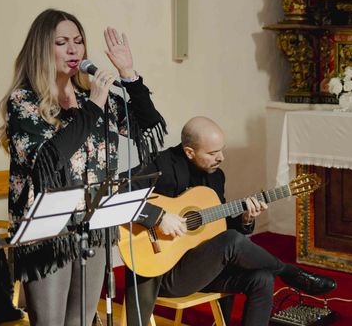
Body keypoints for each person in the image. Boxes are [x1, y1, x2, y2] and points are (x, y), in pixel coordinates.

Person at [0, 9, 166, 326]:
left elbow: (148, 126)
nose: (73, 50)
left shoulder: (94, 96)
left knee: (83, 321)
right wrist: (93, 107)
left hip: (93, 225)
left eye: (78, 41)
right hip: (46, 234)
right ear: (42, 49)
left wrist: (129, 74)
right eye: (61, 42)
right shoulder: (25, 102)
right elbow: (48, 160)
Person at [124, 116, 337, 326]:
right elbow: (117, 191)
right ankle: (289, 273)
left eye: (222, 150)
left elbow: (220, 229)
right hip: (164, 273)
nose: (221, 157)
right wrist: (159, 217)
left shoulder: (216, 177)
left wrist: (245, 219)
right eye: (213, 153)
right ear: (189, 152)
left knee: (262, 278)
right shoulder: (163, 165)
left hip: (202, 268)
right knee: (232, 240)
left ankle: (281, 273)